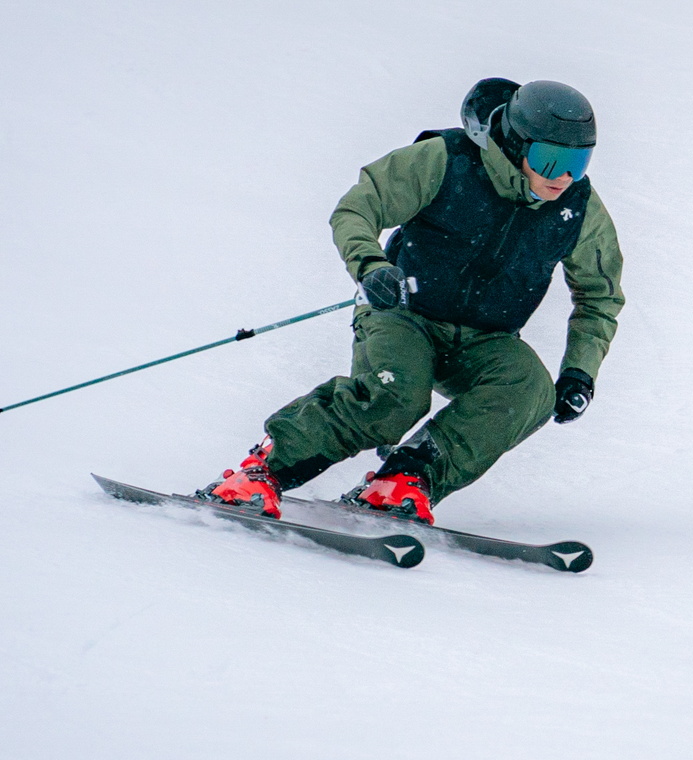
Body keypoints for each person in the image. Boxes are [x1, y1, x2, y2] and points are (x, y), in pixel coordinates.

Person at [196, 78, 625, 524]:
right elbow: (358, 208)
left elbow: (600, 295)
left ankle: (404, 479)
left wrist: (579, 371)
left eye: (579, 161)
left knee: (529, 388)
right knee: (396, 395)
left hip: (485, 339)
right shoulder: (447, 161)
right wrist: (371, 267)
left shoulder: (578, 209)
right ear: (517, 143)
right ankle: (260, 471)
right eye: (550, 159)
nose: (564, 176)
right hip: (403, 312)